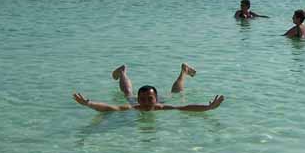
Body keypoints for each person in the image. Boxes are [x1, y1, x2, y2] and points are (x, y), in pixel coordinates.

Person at [73, 62, 224, 112]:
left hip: (162, 100)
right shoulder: (135, 106)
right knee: (127, 94)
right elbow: (109, 108)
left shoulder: (160, 107)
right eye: (143, 99)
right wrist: (89, 104)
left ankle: (184, 71)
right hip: (133, 100)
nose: (146, 102)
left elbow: (186, 108)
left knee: (175, 93)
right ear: (139, 100)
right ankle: (122, 72)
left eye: (149, 99)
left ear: (155, 99)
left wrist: (208, 107)